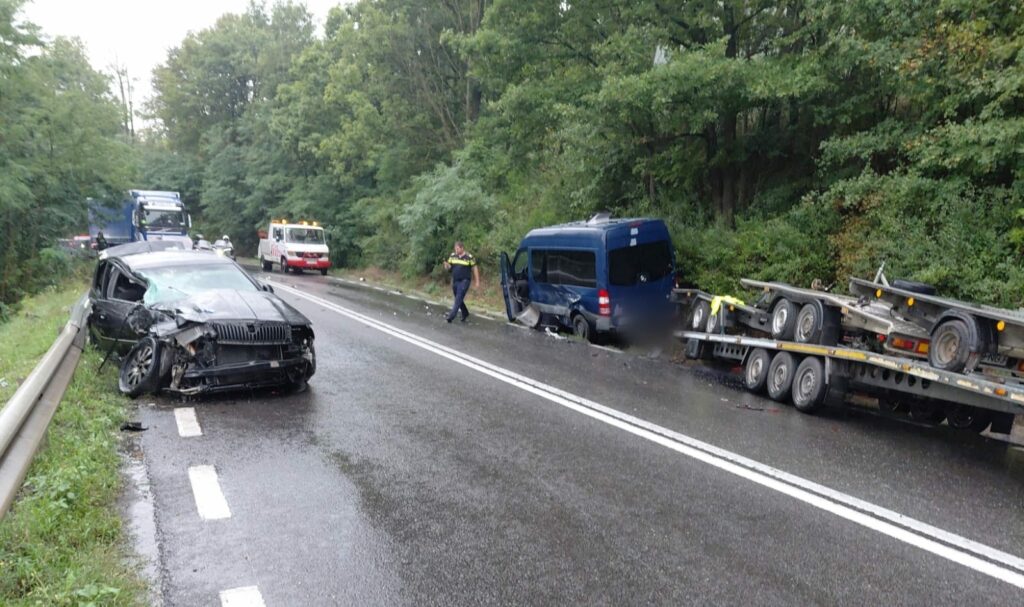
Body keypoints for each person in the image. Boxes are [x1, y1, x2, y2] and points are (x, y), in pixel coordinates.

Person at [442, 241, 480, 323]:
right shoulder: (453, 256)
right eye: (455, 249)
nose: (456, 250)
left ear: (462, 248)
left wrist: (477, 281)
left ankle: (451, 317)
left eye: (458, 249)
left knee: (458, 298)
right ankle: (465, 312)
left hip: (465, 281)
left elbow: (475, 269)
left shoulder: (469, 257)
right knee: (458, 298)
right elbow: (449, 267)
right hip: (455, 281)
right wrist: (446, 266)